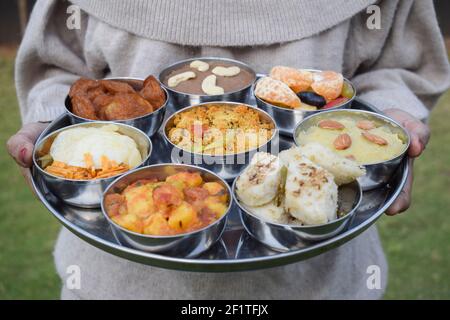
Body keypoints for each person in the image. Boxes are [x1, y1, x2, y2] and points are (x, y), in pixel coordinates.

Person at [7, 0, 450, 299]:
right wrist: (51, 124)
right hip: (118, 280)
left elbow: (399, 64)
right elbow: (58, 69)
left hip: (322, 278)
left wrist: (394, 114)